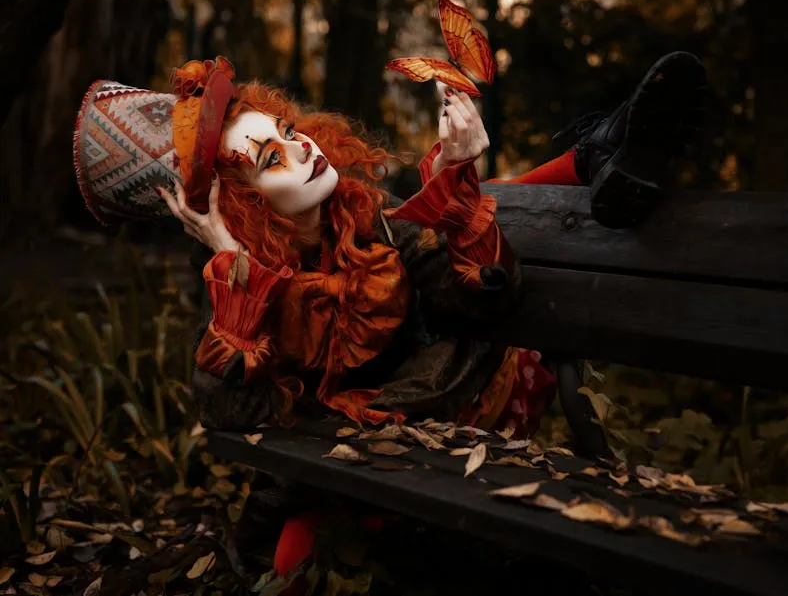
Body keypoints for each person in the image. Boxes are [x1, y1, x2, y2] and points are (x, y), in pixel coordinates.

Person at [73, 51, 704, 588]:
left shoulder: (367, 219)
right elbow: (238, 418)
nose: (301, 150)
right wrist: (238, 274)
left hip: (456, 404)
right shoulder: (243, 279)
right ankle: (591, 157)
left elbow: (478, 298)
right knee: (292, 562)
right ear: (242, 209)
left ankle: (592, 157)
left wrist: (457, 183)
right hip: (346, 462)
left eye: (289, 130)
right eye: (270, 161)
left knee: (441, 215)